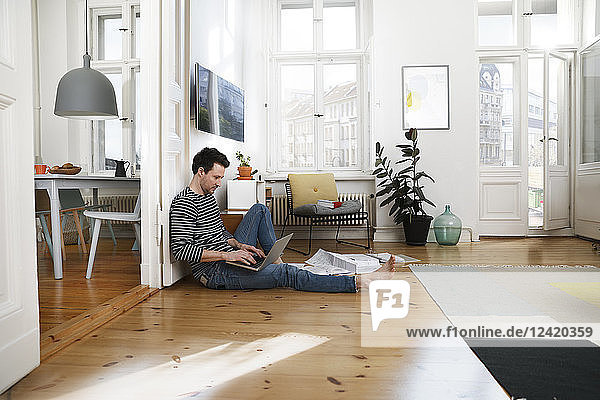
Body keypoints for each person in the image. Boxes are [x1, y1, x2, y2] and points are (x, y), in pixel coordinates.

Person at [170, 147, 392, 292]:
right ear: (201, 172)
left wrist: (239, 245)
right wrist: (228, 255)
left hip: (228, 256)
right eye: (216, 177)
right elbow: (181, 250)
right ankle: (360, 281)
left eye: (221, 178)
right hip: (214, 272)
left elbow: (219, 233)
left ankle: (273, 264)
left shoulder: (208, 196)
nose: (219, 183)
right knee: (288, 274)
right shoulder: (184, 203)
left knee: (259, 209)